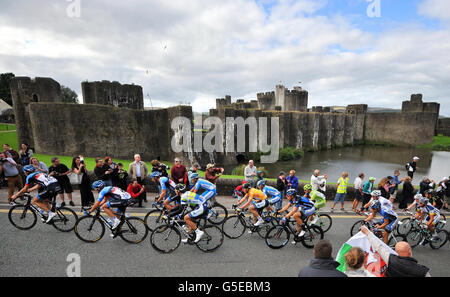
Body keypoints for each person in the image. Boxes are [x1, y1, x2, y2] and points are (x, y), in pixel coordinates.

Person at [360, 225, 431, 277]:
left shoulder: (390, 259)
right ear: (409, 251)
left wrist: (367, 233)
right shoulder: (423, 271)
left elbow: (378, 247)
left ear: (396, 252)